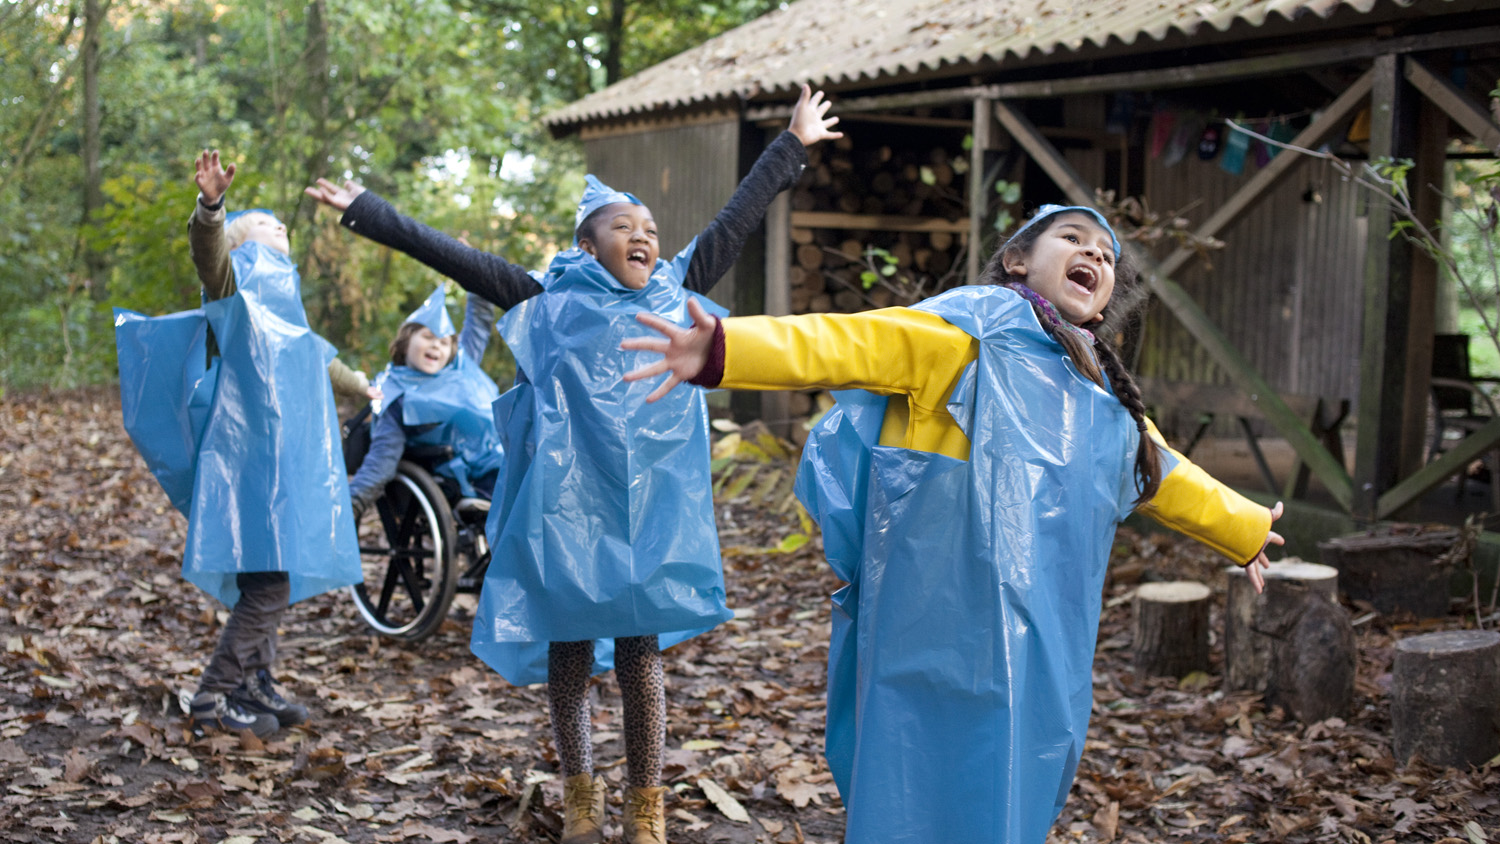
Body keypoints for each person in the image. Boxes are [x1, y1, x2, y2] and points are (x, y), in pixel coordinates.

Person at [623, 204, 1284, 843]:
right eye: (1074, 238)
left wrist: (1244, 527)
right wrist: (724, 349)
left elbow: (1163, 473)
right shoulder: (966, 337)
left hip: (1040, 641)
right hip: (934, 621)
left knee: (1015, 772)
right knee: (918, 769)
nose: (1093, 255)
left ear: (1106, 299)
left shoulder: (1104, 400)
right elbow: (850, 343)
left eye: (1107, 255)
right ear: (1017, 261)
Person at [306, 85, 840, 844]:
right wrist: (369, 209)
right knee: (567, 660)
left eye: (650, 225)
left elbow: (734, 223)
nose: (644, 235)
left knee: (639, 659)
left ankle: (645, 804)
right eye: (624, 226)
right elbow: (455, 256)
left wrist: (789, 144)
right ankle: (581, 791)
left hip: (651, 515)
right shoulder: (541, 301)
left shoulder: (676, 293)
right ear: (588, 245)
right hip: (568, 512)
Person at [115, 150, 367, 738]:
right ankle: (213, 694)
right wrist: (212, 209)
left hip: (285, 462)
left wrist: (365, 387)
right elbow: (211, 260)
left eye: (279, 221)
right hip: (250, 463)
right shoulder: (235, 292)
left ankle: (256, 681)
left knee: (267, 579)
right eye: (262, 221)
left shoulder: (289, 309)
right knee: (269, 584)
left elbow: (320, 361)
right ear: (242, 242)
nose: (277, 222)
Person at [347, 282, 502, 518]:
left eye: (443, 342)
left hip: (500, 461)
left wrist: (471, 274)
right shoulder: (395, 393)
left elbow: (479, 324)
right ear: (406, 342)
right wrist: (353, 502)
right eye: (428, 336)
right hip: (453, 482)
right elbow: (383, 458)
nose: (436, 345)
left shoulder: (460, 369)